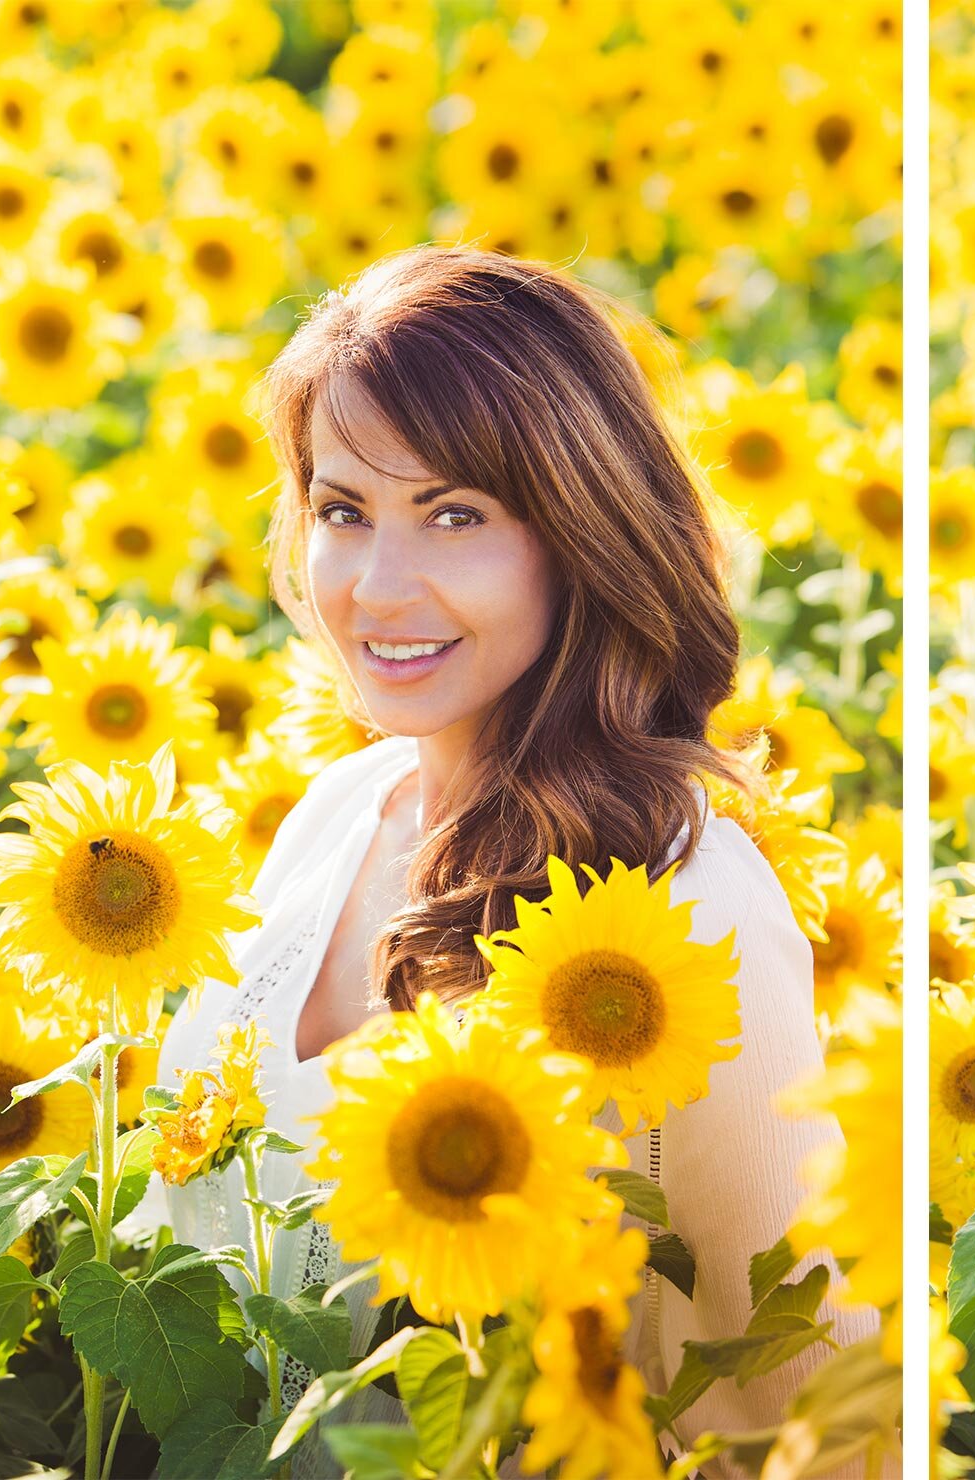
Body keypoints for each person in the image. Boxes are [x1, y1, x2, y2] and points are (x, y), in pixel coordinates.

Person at [149, 246, 874, 1476]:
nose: (378, 586)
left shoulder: (679, 903)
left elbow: (806, 1391)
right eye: (341, 510)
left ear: (577, 531)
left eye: (455, 515)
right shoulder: (335, 813)